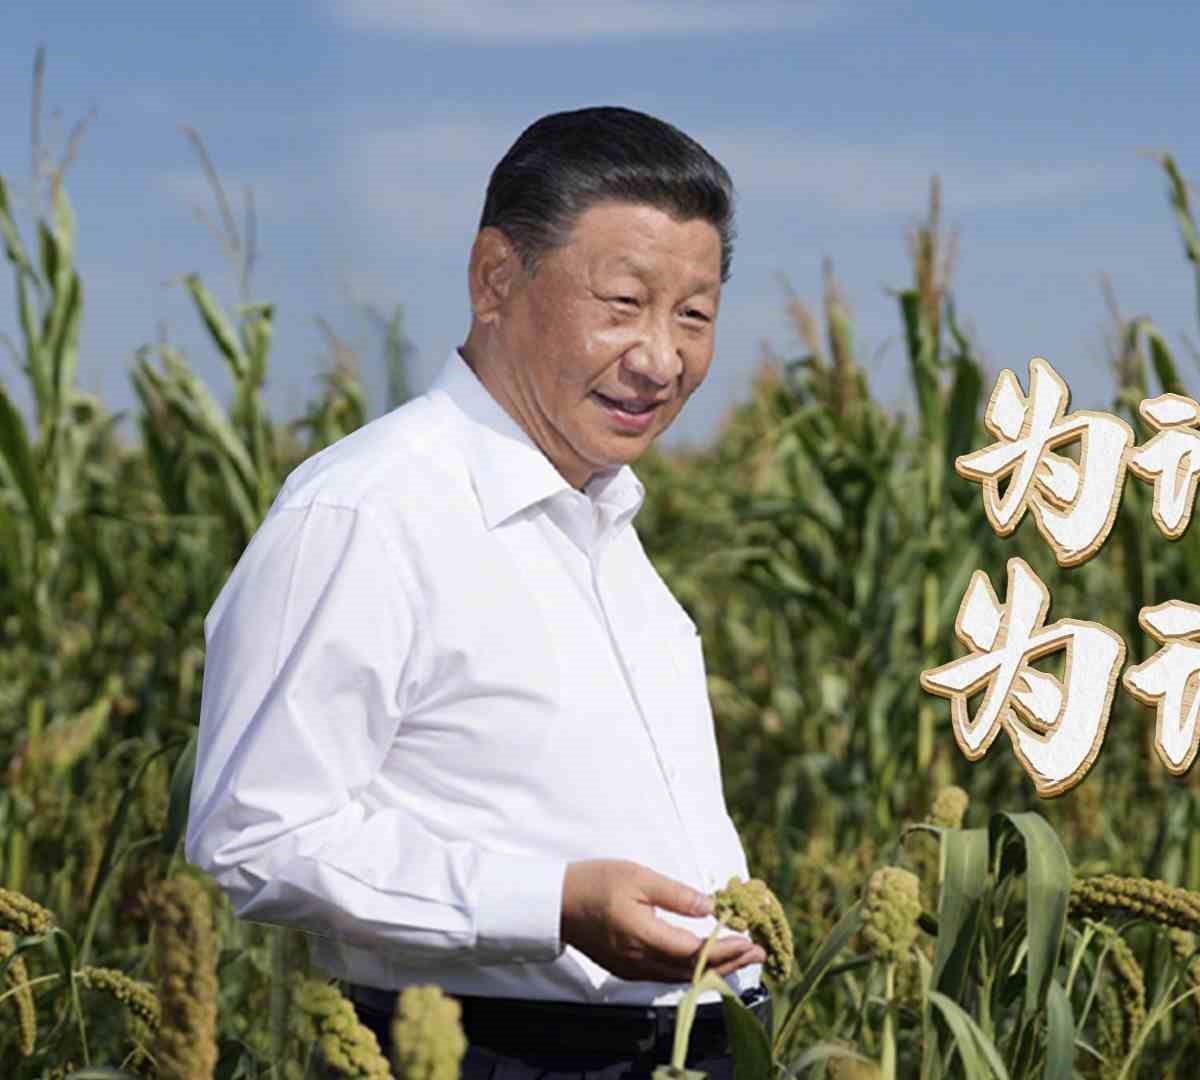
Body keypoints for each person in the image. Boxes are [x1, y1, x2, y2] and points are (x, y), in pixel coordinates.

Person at [186, 106, 768, 1079]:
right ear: (495, 277)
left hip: (682, 1048)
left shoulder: (605, 522)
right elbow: (256, 834)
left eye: (694, 316)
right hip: (496, 1051)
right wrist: (553, 906)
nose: (661, 358)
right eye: (624, 303)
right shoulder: (368, 512)